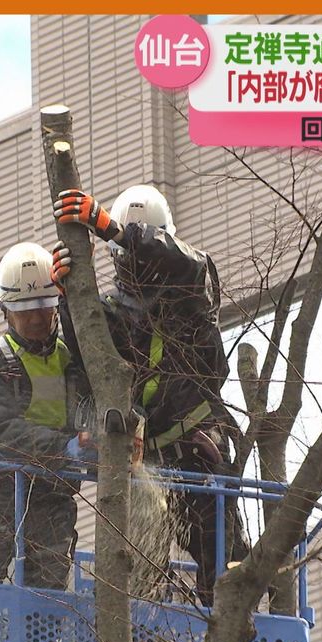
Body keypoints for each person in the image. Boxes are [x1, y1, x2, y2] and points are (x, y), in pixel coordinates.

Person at [51, 184, 249, 606]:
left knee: (222, 564)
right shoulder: (114, 312)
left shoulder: (191, 290)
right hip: (149, 457)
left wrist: (118, 231)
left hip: (199, 451)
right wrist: (70, 299)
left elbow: (183, 259)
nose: (135, 268)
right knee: (139, 572)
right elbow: (92, 358)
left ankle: (232, 635)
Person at [0, 241, 92, 592]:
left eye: (44, 308)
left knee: (48, 593)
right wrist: (67, 447)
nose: (35, 319)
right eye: (24, 310)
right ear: (5, 310)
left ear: (57, 307)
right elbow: (0, 428)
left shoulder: (72, 362)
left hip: (52, 490)